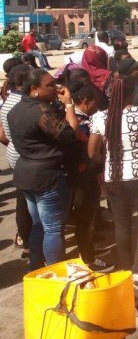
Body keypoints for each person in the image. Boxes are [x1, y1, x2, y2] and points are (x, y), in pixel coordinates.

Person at [9, 68, 85, 269]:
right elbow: (71, 133)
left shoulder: (15, 110)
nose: (56, 88)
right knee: (52, 228)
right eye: (49, 85)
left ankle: (36, 267)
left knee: (39, 226)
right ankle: (55, 270)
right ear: (34, 89)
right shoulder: (42, 112)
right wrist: (68, 104)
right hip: (47, 176)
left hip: (27, 174)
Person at [89, 62, 138, 271]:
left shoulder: (99, 118)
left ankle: (126, 267)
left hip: (113, 176)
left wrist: (106, 163)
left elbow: (92, 152)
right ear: (132, 94)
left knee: (122, 223)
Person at [0, 64, 32, 257]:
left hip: (16, 153)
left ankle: (24, 236)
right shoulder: (21, 102)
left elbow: (2, 135)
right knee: (26, 201)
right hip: (24, 155)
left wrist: (13, 144)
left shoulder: (9, 99)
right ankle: (27, 239)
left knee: (24, 197)